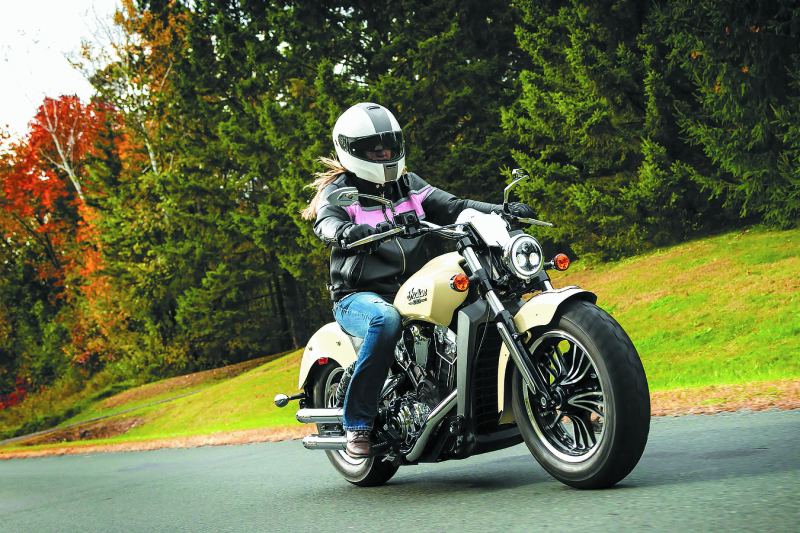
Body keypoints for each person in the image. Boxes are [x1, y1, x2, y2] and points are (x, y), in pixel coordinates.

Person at [301, 102, 536, 457]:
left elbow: (454, 206)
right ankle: (358, 423)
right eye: (373, 149)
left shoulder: (408, 185)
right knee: (385, 320)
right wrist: (348, 232)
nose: (383, 154)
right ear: (351, 151)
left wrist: (500, 211)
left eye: (388, 146)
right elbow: (327, 223)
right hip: (358, 296)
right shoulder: (339, 192)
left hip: (408, 287)